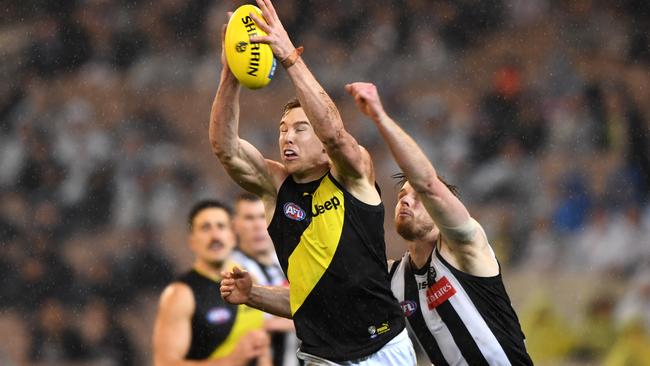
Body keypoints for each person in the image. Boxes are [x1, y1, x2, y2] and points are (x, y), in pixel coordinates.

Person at [221, 83, 534, 365]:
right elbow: (317, 299)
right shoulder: (396, 278)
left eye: (417, 197)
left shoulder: (467, 249)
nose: (406, 201)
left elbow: (428, 183)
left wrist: (380, 117)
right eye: (401, 196)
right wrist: (254, 295)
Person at [210, 0, 414, 364]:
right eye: (283, 130)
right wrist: (230, 76)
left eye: (301, 129)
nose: (288, 137)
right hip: (320, 358)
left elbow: (335, 134)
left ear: (321, 144)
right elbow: (225, 149)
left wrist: (289, 57)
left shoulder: (354, 174)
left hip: (384, 349)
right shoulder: (276, 186)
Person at [153, 200, 271, 366]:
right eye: (205, 228)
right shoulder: (180, 293)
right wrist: (231, 361)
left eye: (221, 226)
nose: (215, 236)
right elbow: (164, 363)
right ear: (191, 240)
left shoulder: (250, 282)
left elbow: (261, 351)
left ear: (232, 236)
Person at [230, 193, 299, 366]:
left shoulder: (292, 259)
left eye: (262, 217)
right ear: (235, 225)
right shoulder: (232, 267)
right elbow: (254, 324)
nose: (258, 225)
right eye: (249, 218)